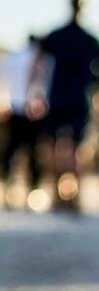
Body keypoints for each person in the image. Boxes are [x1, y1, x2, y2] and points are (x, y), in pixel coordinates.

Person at [37, 0, 99, 211]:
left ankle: (59, 194)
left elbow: (39, 62)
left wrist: (36, 92)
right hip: (78, 97)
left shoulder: (57, 36)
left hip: (58, 96)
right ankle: (74, 196)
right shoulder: (90, 39)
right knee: (76, 148)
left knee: (56, 146)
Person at [0, 34, 50, 207]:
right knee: (33, 152)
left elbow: (3, 82)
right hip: (33, 111)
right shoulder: (41, 58)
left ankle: (8, 189)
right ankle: (33, 192)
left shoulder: (12, 57)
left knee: (12, 151)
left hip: (14, 110)